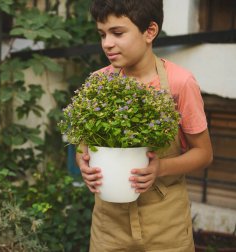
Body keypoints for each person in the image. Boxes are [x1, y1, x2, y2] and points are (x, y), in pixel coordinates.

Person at [76, 0, 213, 251]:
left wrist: (160, 167)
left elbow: (204, 154)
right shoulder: (98, 82)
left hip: (165, 224)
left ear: (150, 31)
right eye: (102, 34)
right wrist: (83, 163)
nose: (107, 43)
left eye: (117, 33)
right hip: (109, 226)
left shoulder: (179, 83)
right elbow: (83, 146)